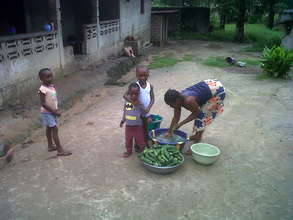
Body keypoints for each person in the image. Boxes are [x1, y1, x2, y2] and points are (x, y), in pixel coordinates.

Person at [164, 79, 225, 154]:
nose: (170, 106)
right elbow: (176, 117)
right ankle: (196, 136)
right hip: (210, 85)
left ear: (177, 100)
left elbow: (196, 113)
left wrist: (180, 124)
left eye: (171, 104)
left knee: (201, 118)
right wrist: (170, 131)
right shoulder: (178, 99)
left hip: (217, 91)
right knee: (201, 114)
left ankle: (196, 147)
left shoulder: (188, 100)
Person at [38, 68, 72, 156]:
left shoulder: (51, 86)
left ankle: (50, 146)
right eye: (47, 77)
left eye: (51, 76)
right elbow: (43, 103)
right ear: (41, 79)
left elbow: (53, 99)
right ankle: (60, 150)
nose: (50, 78)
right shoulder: (42, 89)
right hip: (47, 112)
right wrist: (54, 111)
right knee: (54, 129)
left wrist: (55, 109)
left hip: (52, 111)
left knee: (49, 128)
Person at [123, 65, 155, 144]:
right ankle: (138, 144)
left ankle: (145, 142)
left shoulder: (150, 86)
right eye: (140, 76)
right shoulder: (135, 86)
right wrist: (133, 102)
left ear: (148, 75)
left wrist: (149, 107)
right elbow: (125, 95)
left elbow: (153, 98)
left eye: (145, 75)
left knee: (145, 127)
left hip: (145, 111)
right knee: (138, 129)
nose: (142, 78)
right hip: (137, 112)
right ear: (136, 75)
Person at [120, 83, 148, 158]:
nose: (134, 96)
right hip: (128, 127)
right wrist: (122, 121)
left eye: (136, 94)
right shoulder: (128, 102)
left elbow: (144, 112)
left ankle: (143, 151)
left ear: (139, 94)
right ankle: (128, 151)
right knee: (128, 140)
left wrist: (148, 117)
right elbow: (126, 112)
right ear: (129, 93)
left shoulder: (139, 104)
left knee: (140, 140)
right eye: (132, 94)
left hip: (138, 127)